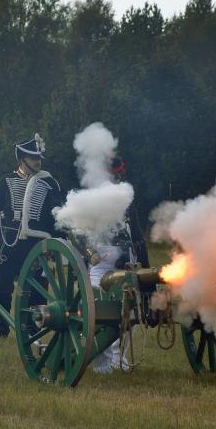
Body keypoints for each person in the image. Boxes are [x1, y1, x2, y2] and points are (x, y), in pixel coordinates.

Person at [0, 134, 64, 338]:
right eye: (33, 158)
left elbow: (57, 215)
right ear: (22, 159)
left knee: (37, 290)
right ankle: (2, 330)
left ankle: (32, 330)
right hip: (10, 244)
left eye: (39, 157)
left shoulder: (49, 183)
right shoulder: (5, 182)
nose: (38, 161)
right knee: (1, 288)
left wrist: (57, 240)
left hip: (37, 245)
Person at [90, 155, 149, 374]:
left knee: (130, 314)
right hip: (102, 264)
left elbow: (138, 238)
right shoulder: (93, 201)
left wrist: (148, 282)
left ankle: (120, 359)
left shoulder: (128, 202)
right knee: (99, 312)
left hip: (127, 264)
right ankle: (101, 363)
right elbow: (83, 233)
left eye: (119, 176)